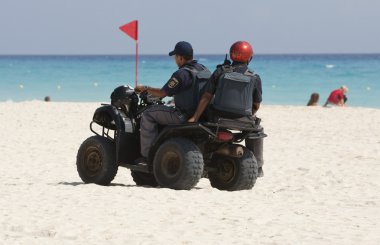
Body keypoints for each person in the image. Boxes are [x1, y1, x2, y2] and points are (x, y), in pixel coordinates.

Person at [188, 41, 265, 177]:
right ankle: (258, 168)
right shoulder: (254, 77)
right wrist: (249, 116)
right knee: (257, 130)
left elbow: (206, 96)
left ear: (231, 55)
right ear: (249, 57)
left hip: (217, 118)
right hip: (244, 120)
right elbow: (256, 104)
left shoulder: (220, 71)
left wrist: (195, 117)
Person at [134, 41, 211, 163]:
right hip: (201, 115)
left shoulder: (182, 74)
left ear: (180, 57)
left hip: (183, 115)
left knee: (148, 114)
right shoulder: (204, 70)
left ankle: (147, 156)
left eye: (176, 57)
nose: (175, 60)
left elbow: (162, 93)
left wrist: (145, 88)